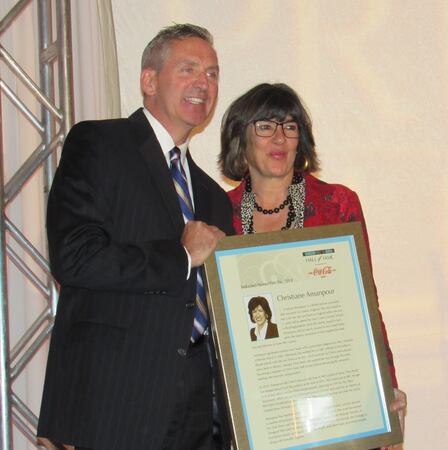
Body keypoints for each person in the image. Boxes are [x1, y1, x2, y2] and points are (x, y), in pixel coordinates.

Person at [37, 24, 233, 450]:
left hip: (199, 408)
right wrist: (181, 257)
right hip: (115, 402)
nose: (204, 82)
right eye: (189, 69)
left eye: (213, 73)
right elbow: (75, 257)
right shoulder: (100, 144)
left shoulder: (214, 197)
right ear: (148, 80)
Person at [220, 82, 407, 449]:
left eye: (290, 127)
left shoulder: (337, 204)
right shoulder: (217, 212)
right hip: (259, 405)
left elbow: (364, 305)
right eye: (265, 126)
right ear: (240, 138)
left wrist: (386, 392)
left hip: (332, 393)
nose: (279, 138)